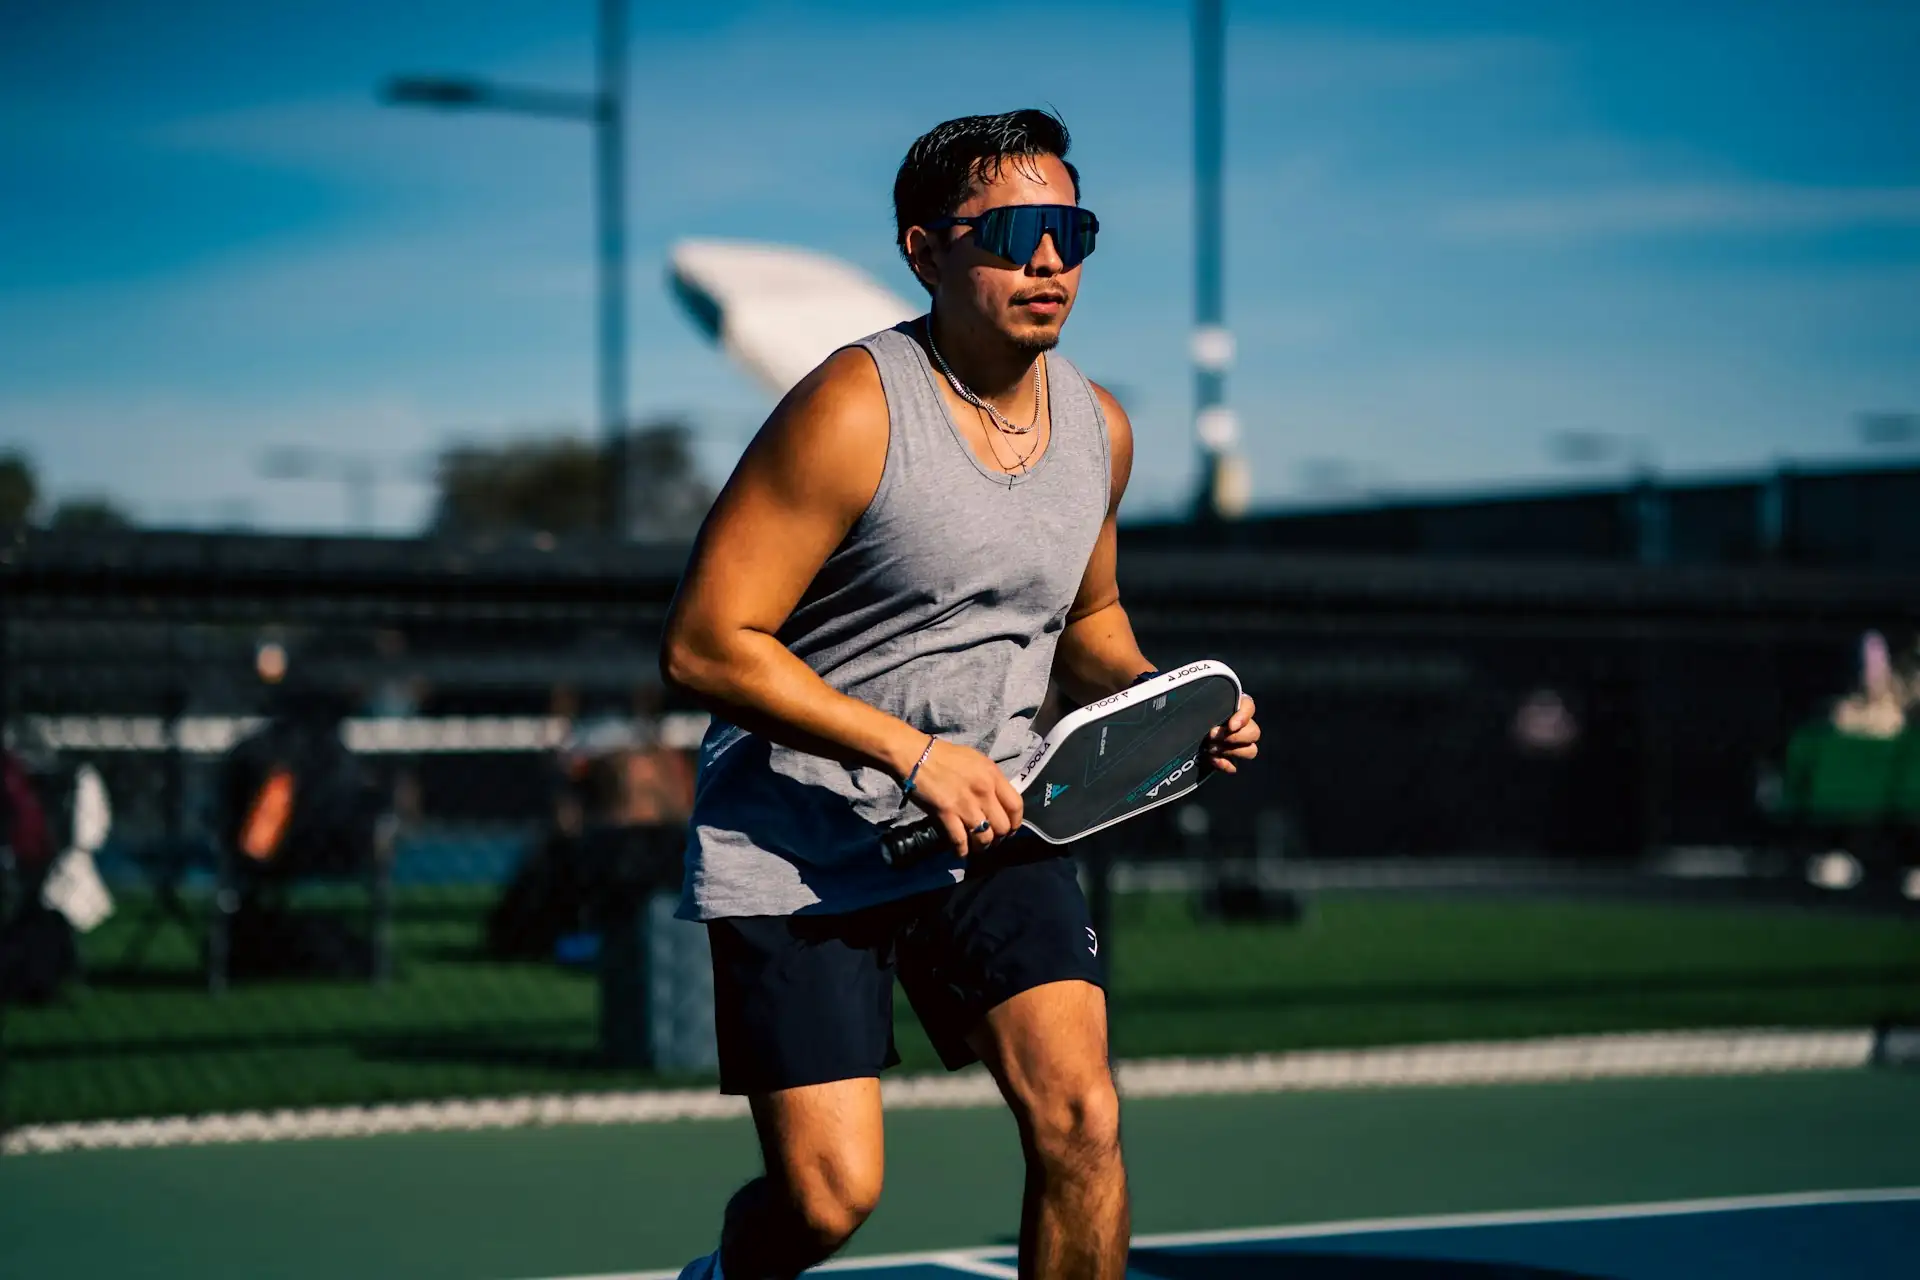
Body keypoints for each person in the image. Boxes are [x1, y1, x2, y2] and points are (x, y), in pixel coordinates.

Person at [661, 109, 1260, 1280]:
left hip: (999, 817)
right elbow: (703, 644)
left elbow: (1084, 621)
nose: (1050, 261)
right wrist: (911, 753)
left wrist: (1168, 700)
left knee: (1081, 1120)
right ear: (925, 250)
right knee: (829, 1200)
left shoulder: (1101, 429)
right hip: (805, 843)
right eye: (1016, 233)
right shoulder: (852, 406)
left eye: (1072, 231)